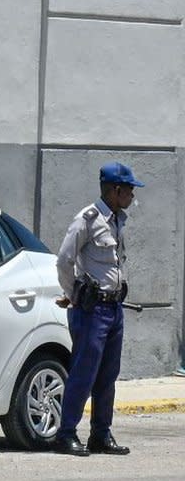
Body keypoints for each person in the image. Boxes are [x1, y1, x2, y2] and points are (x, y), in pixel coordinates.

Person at [53, 161, 143, 457]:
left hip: (114, 308)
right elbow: (64, 260)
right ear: (115, 190)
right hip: (92, 310)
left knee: (107, 375)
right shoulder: (87, 219)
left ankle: (100, 434)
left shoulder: (118, 219)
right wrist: (74, 294)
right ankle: (66, 434)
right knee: (84, 373)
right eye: (129, 190)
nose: (132, 195)